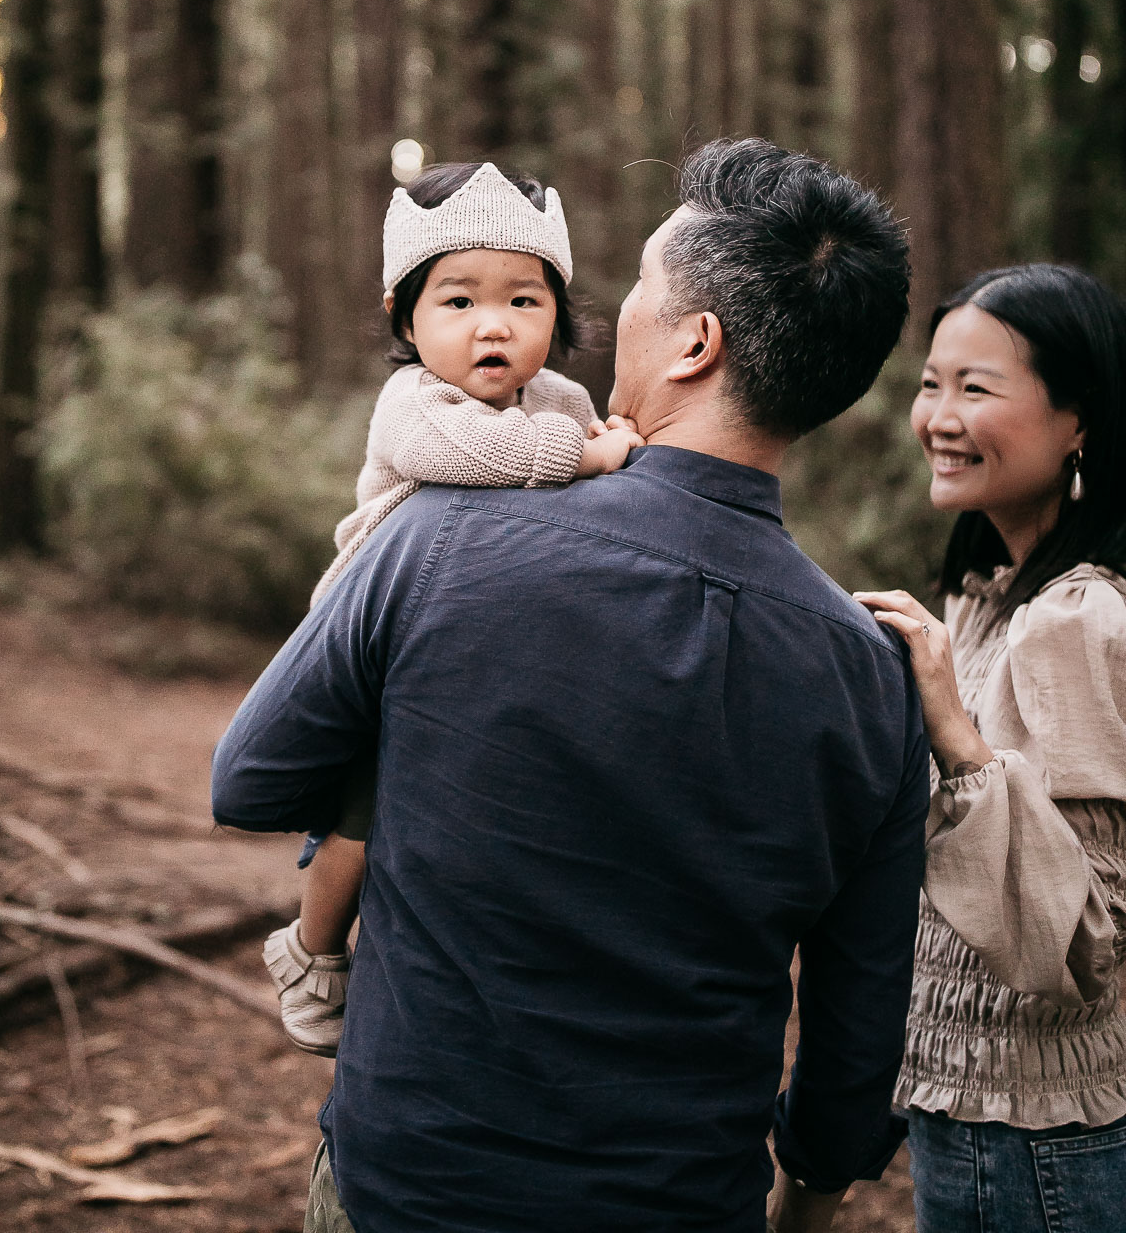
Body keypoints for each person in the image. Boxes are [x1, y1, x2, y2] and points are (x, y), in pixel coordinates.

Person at [212, 136, 926, 1233]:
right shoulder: (875, 678)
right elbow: (858, 1018)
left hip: (414, 1184)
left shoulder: (442, 537)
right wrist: (812, 1195)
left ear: (695, 344)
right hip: (681, 1201)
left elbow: (252, 779)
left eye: (638, 288)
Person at [262, 161, 642, 1056]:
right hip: (377, 641)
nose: (495, 325)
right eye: (458, 302)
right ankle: (310, 948)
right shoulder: (415, 403)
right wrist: (587, 458)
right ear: (406, 318)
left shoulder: (562, 400)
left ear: (560, 312)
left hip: (483, 645)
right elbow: (463, 455)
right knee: (359, 818)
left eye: (525, 300)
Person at [856, 264, 1126, 1233]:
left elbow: (1092, 944)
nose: (939, 415)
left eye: (977, 388)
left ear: (1079, 421)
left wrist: (955, 733)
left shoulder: (1078, 623)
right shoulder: (985, 602)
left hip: (1044, 1151)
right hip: (964, 1117)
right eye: (933, 384)